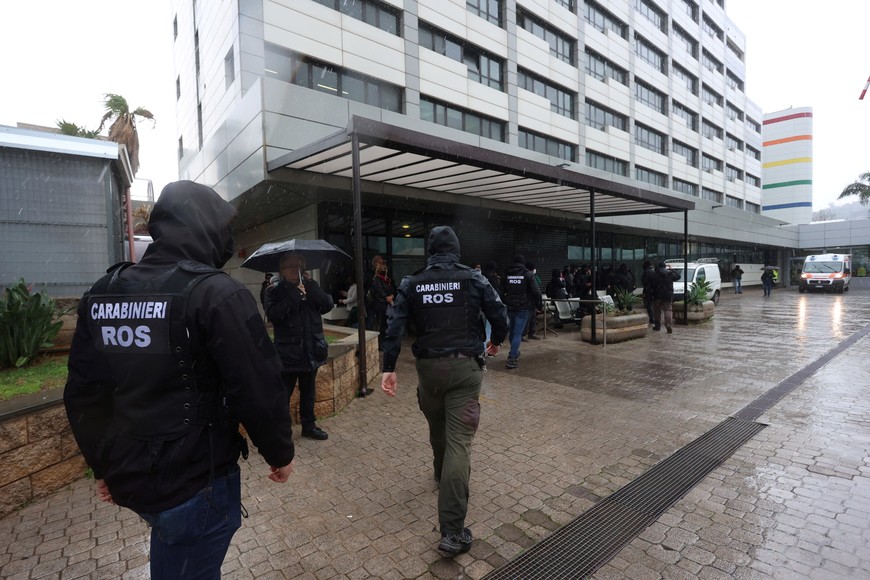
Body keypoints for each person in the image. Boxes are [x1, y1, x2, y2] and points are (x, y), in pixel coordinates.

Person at [63, 180, 295, 579]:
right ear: (206, 228)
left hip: (132, 477)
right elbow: (259, 385)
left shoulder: (102, 294)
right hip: (196, 481)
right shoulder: (217, 294)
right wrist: (279, 453)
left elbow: (85, 394)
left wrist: (102, 466)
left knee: (177, 554)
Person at [380, 226, 509, 556]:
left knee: (438, 429)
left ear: (430, 251)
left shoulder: (412, 283)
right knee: (459, 443)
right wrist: (496, 340)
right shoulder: (474, 279)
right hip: (465, 370)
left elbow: (393, 327)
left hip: (428, 371)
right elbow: (499, 313)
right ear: (456, 249)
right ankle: (452, 532)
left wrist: (389, 368)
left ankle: (441, 474)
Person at [265, 252, 334, 441]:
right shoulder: (274, 291)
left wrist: (311, 287)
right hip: (288, 353)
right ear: (282, 269)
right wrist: (295, 295)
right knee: (283, 395)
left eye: (298, 265)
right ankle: (280, 430)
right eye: (290, 265)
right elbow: (273, 315)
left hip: (310, 352)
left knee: (309, 393)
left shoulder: (310, 286)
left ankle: (309, 426)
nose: (294, 269)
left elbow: (328, 304)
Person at [503, 255, 543, 369]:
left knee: (512, 332)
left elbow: (501, 290)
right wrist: (539, 305)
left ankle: (514, 352)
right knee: (517, 333)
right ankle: (512, 357)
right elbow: (536, 292)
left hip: (510, 306)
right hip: (523, 307)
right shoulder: (527, 274)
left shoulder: (507, 273)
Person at [369, 259, 396, 349]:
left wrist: (392, 296)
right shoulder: (376, 280)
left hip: (386, 305)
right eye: (382, 268)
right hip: (380, 305)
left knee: (386, 325)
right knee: (380, 325)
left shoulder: (388, 280)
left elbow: (393, 290)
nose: (384, 270)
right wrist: (387, 298)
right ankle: (380, 344)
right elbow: (379, 292)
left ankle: (383, 343)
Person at [651, 261, 680, 333]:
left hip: (656, 295)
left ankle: (657, 325)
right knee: (667, 310)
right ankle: (668, 325)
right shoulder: (669, 273)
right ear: (665, 266)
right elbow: (678, 276)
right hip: (667, 295)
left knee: (657, 311)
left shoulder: (654, 274)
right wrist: (672, 269)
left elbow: (650, 284)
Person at [523, 262, 542, 341]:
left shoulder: (532, 276)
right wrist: (539, 302)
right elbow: (536, 290)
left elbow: (538, 284)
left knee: (533, 318)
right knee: (527, 318)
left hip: (531, 300)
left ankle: (532, 333)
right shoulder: (528, 276)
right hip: (528, 300)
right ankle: (524, 334)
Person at [641, 260, 656, 325]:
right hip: (654, 291)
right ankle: (654, 320)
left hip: (648, 291)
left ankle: (652, 320)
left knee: (649, 305)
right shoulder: (653, 271)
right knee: (654, 306)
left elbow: (644, 282)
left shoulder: (646, 272)